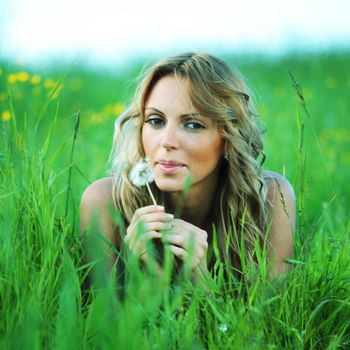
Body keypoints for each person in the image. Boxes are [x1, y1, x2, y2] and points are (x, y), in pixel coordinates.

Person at [79, 52, 295, 289]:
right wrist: (145, 275)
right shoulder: (105, 203)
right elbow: (96, 320)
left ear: (228, 137)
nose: (167, 141)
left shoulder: (269, 199)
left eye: (193, 125)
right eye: (155, 121)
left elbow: (270, 322)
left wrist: (202, 281)